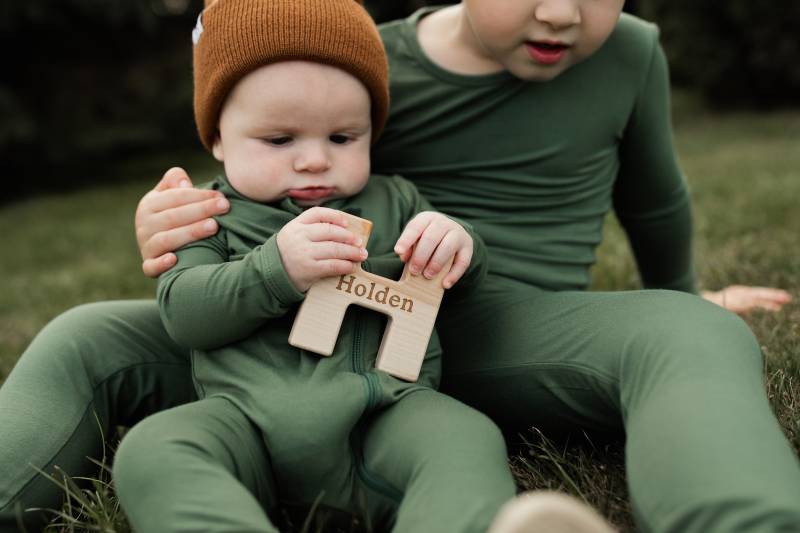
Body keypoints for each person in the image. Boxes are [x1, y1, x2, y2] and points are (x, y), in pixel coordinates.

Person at [0, 0, 795, 532]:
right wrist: (170, 218)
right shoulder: (346, 52)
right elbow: (243, 155)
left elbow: (657, 197)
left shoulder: (626, 53)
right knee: (83, 338)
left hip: (481, 324)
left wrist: (687, 284)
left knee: (689, 332)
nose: (561, 10)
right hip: (278, 335)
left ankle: (743, 515)